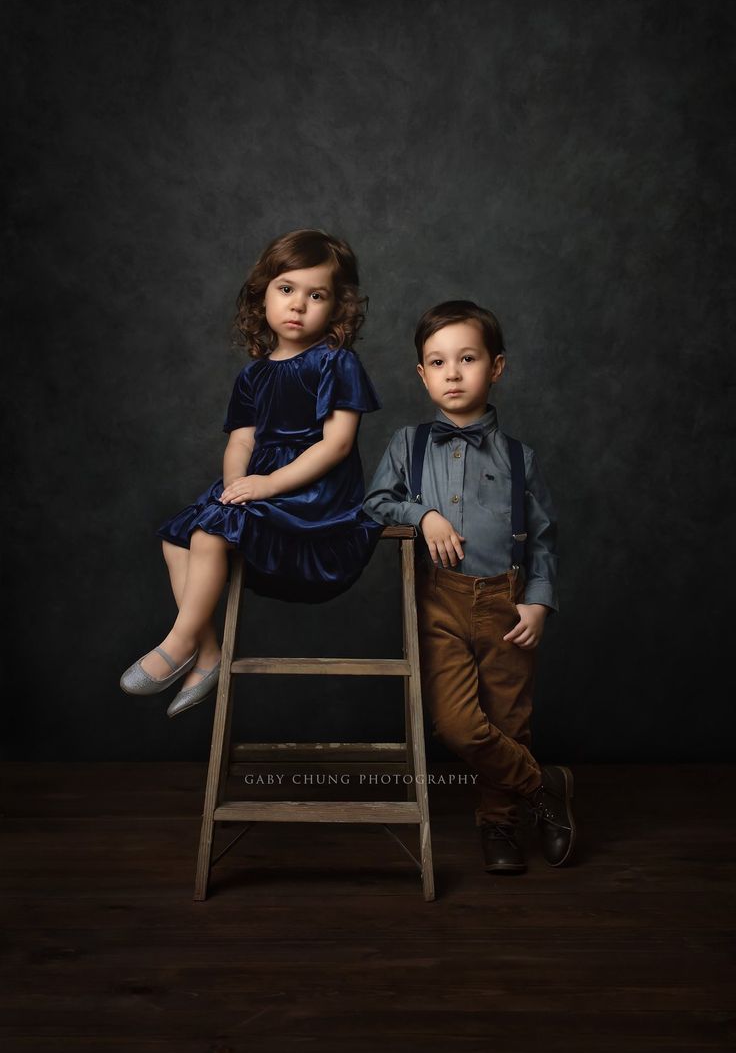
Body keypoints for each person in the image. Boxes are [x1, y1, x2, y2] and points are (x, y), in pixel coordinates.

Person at [120, 228, 382, 718]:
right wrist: (236, 483)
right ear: (263, 292)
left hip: (315, 491)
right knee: (179, 537)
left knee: (211, 535)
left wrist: (268, 484)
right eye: (286, 289)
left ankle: (179, 643)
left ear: (337, 308)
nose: (298, 305)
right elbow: (241, 439)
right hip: (262, 485)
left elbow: (338, 443)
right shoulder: (254, 374)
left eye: (316, 294)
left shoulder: (335, 362)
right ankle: (210, 653)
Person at [363, 301, 575, 873]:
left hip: (506, 601)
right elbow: (375, 504)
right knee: (458, 722)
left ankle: (500, 827)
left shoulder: (519, 458)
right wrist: (422, 514)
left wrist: (538, 598)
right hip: (439, 599)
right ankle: (544, 785)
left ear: (496, 367)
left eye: (467, 358)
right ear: (422, 374)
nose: (452, 373)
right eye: (438, 361)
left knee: (509, 717)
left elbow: (544, 538)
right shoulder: (407, 445)